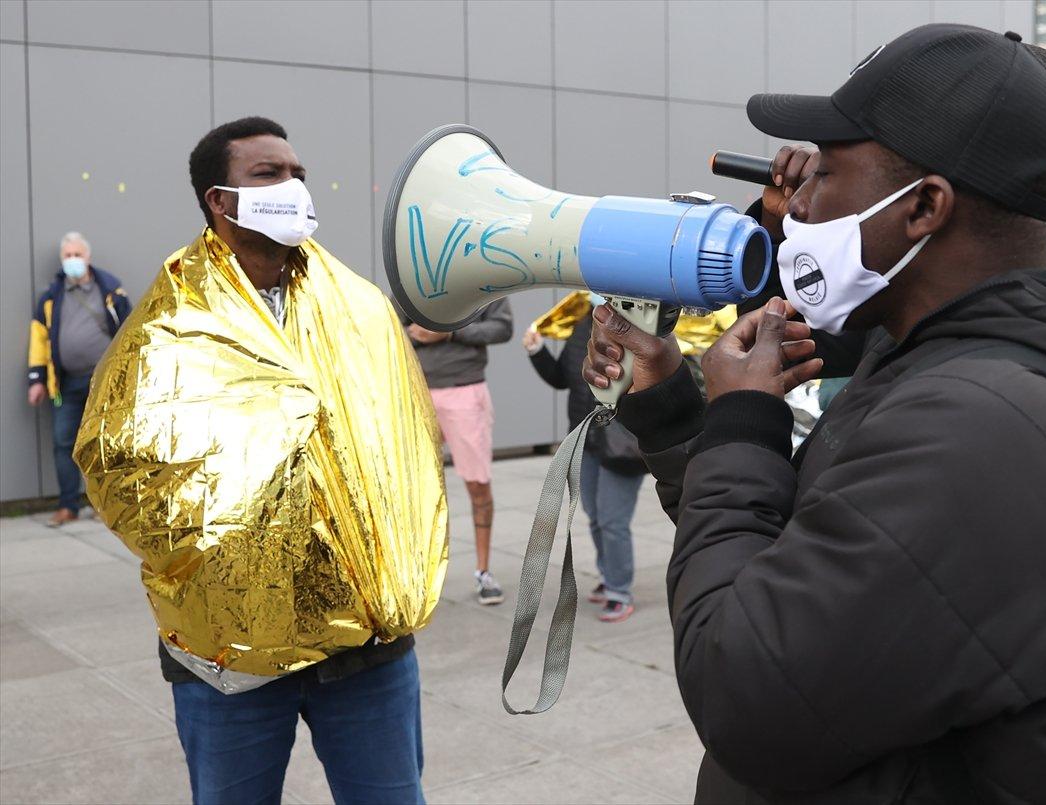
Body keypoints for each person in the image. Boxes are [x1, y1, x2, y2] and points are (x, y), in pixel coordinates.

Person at [583, 24, 1046, 803]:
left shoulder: (981, 433)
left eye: (827, 173)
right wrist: (679, 412)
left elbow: (742, 690)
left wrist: (743, 423)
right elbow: (792, 566)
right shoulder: (932, 363)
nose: (795, 203)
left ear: (924, 209)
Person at [74, 117, 446, 805]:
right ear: (220, 199)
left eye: (297, 172)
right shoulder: (168, 323)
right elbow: (112, 462)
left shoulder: (359, 308)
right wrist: (219, 558)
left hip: (366, 645)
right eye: (269, 174)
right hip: (229, 657)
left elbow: (409, 438)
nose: (293, 185)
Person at [523, 294, 644, 622]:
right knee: (593, 513)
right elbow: (563, 378)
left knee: (612, 519)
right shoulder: (581, 327)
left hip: (623, 442)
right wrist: (536, 351)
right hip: (586, 438)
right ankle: (610, 577)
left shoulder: (639, 330)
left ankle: (620, 589)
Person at [405, 299, 513, 606]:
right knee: (417, 489)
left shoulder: (484, 278)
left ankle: (483, 572)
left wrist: (450, 333)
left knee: (478, 485)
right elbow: (389, 325)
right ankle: (419, 574)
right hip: (417, 389)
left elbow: (502, 328)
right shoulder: (415, 279)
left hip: (465, 389)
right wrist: (415, 334)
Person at [27, 232, 130, 526]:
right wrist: (36, 379)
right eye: (67, 256)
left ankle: (105, 507)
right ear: (62, 260)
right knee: (63, 442)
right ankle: (68, 506)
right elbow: (39, 338)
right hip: (65, 383)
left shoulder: (110, 290)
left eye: (77, 254)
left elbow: (129, 330)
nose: (73, 260)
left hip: (104, 383)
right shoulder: (51, 296)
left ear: (88, 257)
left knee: (103, 444)